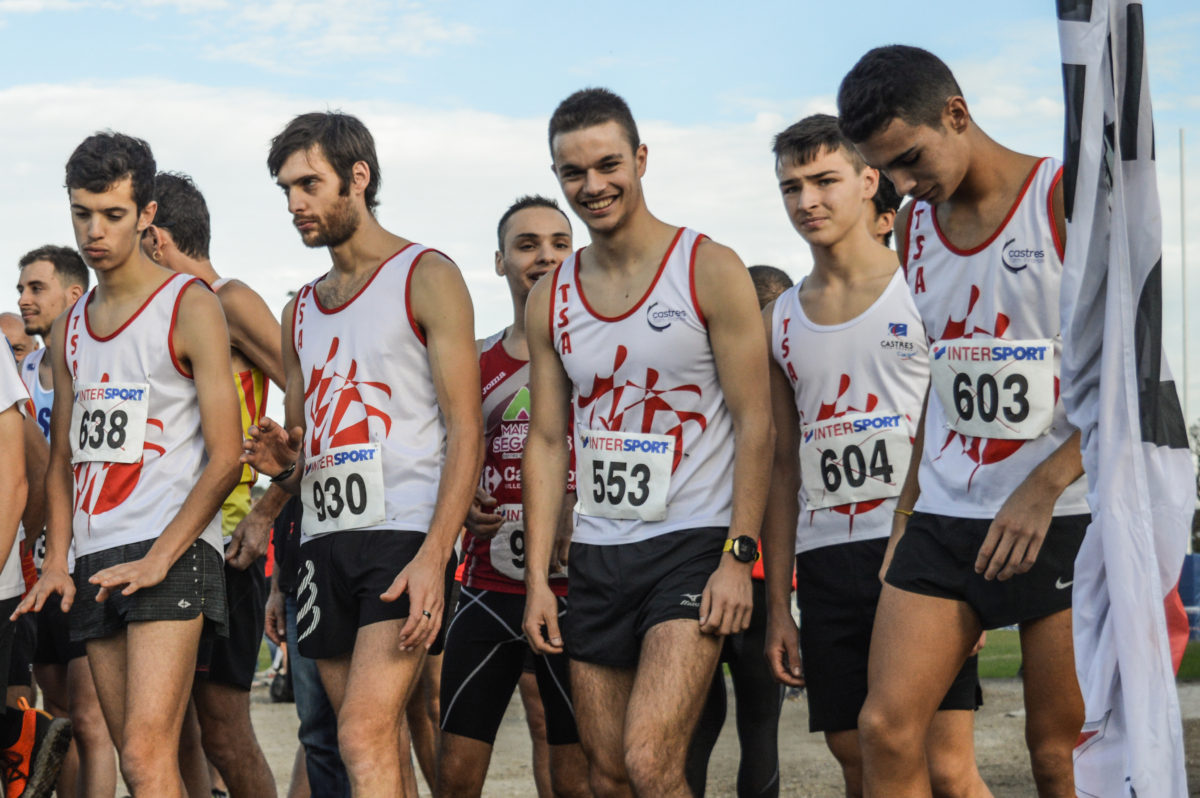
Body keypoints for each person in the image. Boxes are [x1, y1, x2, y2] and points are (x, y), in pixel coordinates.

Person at [837, 46, 1087, 797]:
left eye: (912, 160)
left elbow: (1139, 383)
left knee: (1056, 754)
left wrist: (1044, 485)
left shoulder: (1063, 197)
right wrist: (905, 513)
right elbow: (938, 386)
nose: (907, 187)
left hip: (1063, 512)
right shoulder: (914, 229)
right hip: (947, 514)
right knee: (884, 728)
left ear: (957, 112)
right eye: (891, 173)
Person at [522, 88, 774, 798]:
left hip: (693, 545)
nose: (592, 186)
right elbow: (546, 440)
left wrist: (739, 555)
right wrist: (539, 577)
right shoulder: (553, 297)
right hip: (601, 556)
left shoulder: (708, 267)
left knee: (650, 760)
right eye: (573, 173)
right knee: (607, 777)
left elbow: (759, 423)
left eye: (607, 165)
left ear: (639, 159)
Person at [243, 111, 483, 797]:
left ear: (359, 176)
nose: (295, 204)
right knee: (371, 744)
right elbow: (305, 450)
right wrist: (279, 463)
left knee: (361, 733)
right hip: (324, 541)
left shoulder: (426, 274)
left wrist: (437, 555)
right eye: (286, 189)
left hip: (401, 537)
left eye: (309, 184)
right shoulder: (300, 311)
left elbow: (466, 429)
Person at [761, 114, 990, 798]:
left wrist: (966, 573)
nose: (808, 202)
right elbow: (780, 466)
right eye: (792, 187)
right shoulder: (781, 318)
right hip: (826, 557)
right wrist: (779, 607)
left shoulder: (923, 288)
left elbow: (967, 430)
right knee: (857, 756)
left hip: (924, 554)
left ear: (869, 182)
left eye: (825, 181)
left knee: (946, 766)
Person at [14, 132, 243, 797]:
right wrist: (56, 560)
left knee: (144, 755)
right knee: (135, 759)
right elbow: (61, 461)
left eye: (112, 214)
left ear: (146, 215)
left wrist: (163, 556)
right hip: (94, 553)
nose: (94, 230)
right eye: (82, 213)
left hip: (171, 547)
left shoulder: (189, 305)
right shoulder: (68, 328)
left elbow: (226, 458)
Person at [436, 195, 589, 798]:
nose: (544, 256)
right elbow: (447, 452)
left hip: (579, 588)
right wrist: (462, 489)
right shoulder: (474, 360)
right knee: (455, 777)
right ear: (500, 261)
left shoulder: (597, 352)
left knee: (578, 780)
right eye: (527, 245)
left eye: (558, 243)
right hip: (486, 585)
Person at [140, 171, 281, 798]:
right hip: (172, 539)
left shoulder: (227, 299)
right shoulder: (165, 317)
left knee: (223, 730)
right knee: (176, 732)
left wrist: (269, 508)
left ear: (158, 239)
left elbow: (317, 401)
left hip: (223, 542)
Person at [16, 243, 119, 797]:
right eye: (21, 289)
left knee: (91, 719)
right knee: (55, 711)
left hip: (89, 556)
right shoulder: (23, 372)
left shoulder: (97, 360)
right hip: (36, 564)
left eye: (36, 288)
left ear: (73, 295)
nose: (24, 299)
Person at [685, 263, 791, 798]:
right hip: (744, 572)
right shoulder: (784, 383)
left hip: (711, 569)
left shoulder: (708, 379)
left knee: (703, 729)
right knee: (755, 726)